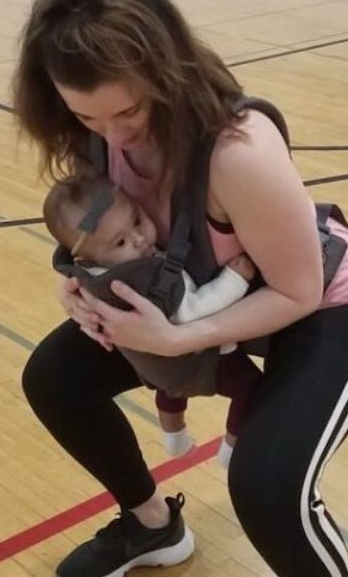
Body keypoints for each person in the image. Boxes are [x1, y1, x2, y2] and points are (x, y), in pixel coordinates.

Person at [14, 0, 348, 577]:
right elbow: (114, 239)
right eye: (87, 118)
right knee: (55, 380)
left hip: (327, 303)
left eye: (125, 114)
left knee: (266, 481)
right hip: (207, 306)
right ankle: (153, 523)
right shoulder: (99, 136)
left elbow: (298, 287)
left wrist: (179, 341)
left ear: (165, 67)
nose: (110, 134)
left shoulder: (238, 149)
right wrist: (81, 282)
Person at [41, 175, 262, 464]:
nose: (140, 238)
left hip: (153, 368)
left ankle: (175, 438)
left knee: (170, 391)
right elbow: (189, 312)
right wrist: (236, 279)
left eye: (136, 220)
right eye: (120, 242)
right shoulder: (144, 276)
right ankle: (231, 451)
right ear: (86, 256)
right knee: (252, 389)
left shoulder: (89, 272)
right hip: (195, 360)